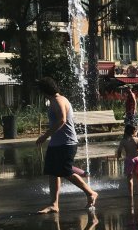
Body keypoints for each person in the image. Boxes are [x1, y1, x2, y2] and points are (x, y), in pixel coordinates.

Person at [35, 77, 97, 213]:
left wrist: (45, 136)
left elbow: (62, 120)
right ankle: (54, 204)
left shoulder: (58, 101)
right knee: (52, 172)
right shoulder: (55, 100)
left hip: (66, 142)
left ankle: (90, 193)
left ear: (44, 90)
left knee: (66, 172)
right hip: (57, 143)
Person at [116, 125, 138, 201]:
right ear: (134, 131)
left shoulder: (123, 141)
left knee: (130, 177)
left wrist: (119, 157)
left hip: (129, 159)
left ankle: (131, 194)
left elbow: (119, 151)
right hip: (137, 159)